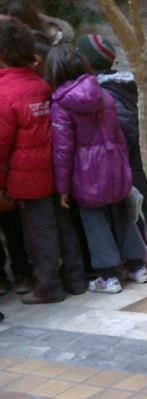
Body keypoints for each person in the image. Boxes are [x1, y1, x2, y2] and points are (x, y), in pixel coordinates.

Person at [47, 43, 147, 294]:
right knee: (123, 214)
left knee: (94, 221)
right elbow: (118, 135)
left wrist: (62, 188)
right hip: (114, 163)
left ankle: (109, 277)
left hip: (85, 171)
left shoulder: (61, 103)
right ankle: (138, 267)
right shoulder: (103, 94)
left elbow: (63, 149)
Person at [0, 18, 84, 304]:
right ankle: (76, 279)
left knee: (38, 234)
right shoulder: (41, 84)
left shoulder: (4, 93)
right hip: (56, 171)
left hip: (26, 179)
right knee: (64, 226)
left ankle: (48, 286)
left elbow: (1, 145)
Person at [76, 33, 147, 260]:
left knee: (133, 202)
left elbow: (122, 125)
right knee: (141, 197)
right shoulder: (126, 84)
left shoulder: (102, 91)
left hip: (123, 152)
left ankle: (146, 248)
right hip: (137, 150)